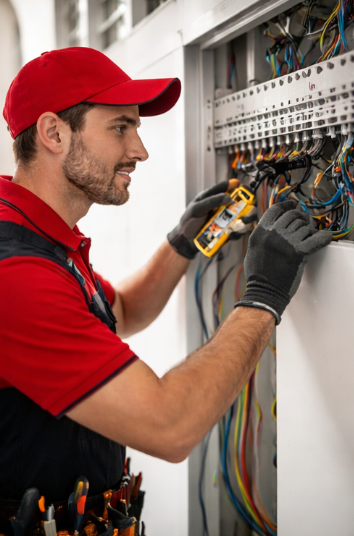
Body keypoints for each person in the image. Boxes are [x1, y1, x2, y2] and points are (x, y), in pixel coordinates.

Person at [0, 46, 331, 511]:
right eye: (121, 127)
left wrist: (180, 243)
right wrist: (263, 299)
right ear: (54, 132)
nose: (140, 150)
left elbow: (123, 311)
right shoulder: (14, 273)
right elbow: (170, 426)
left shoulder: (41, 238)